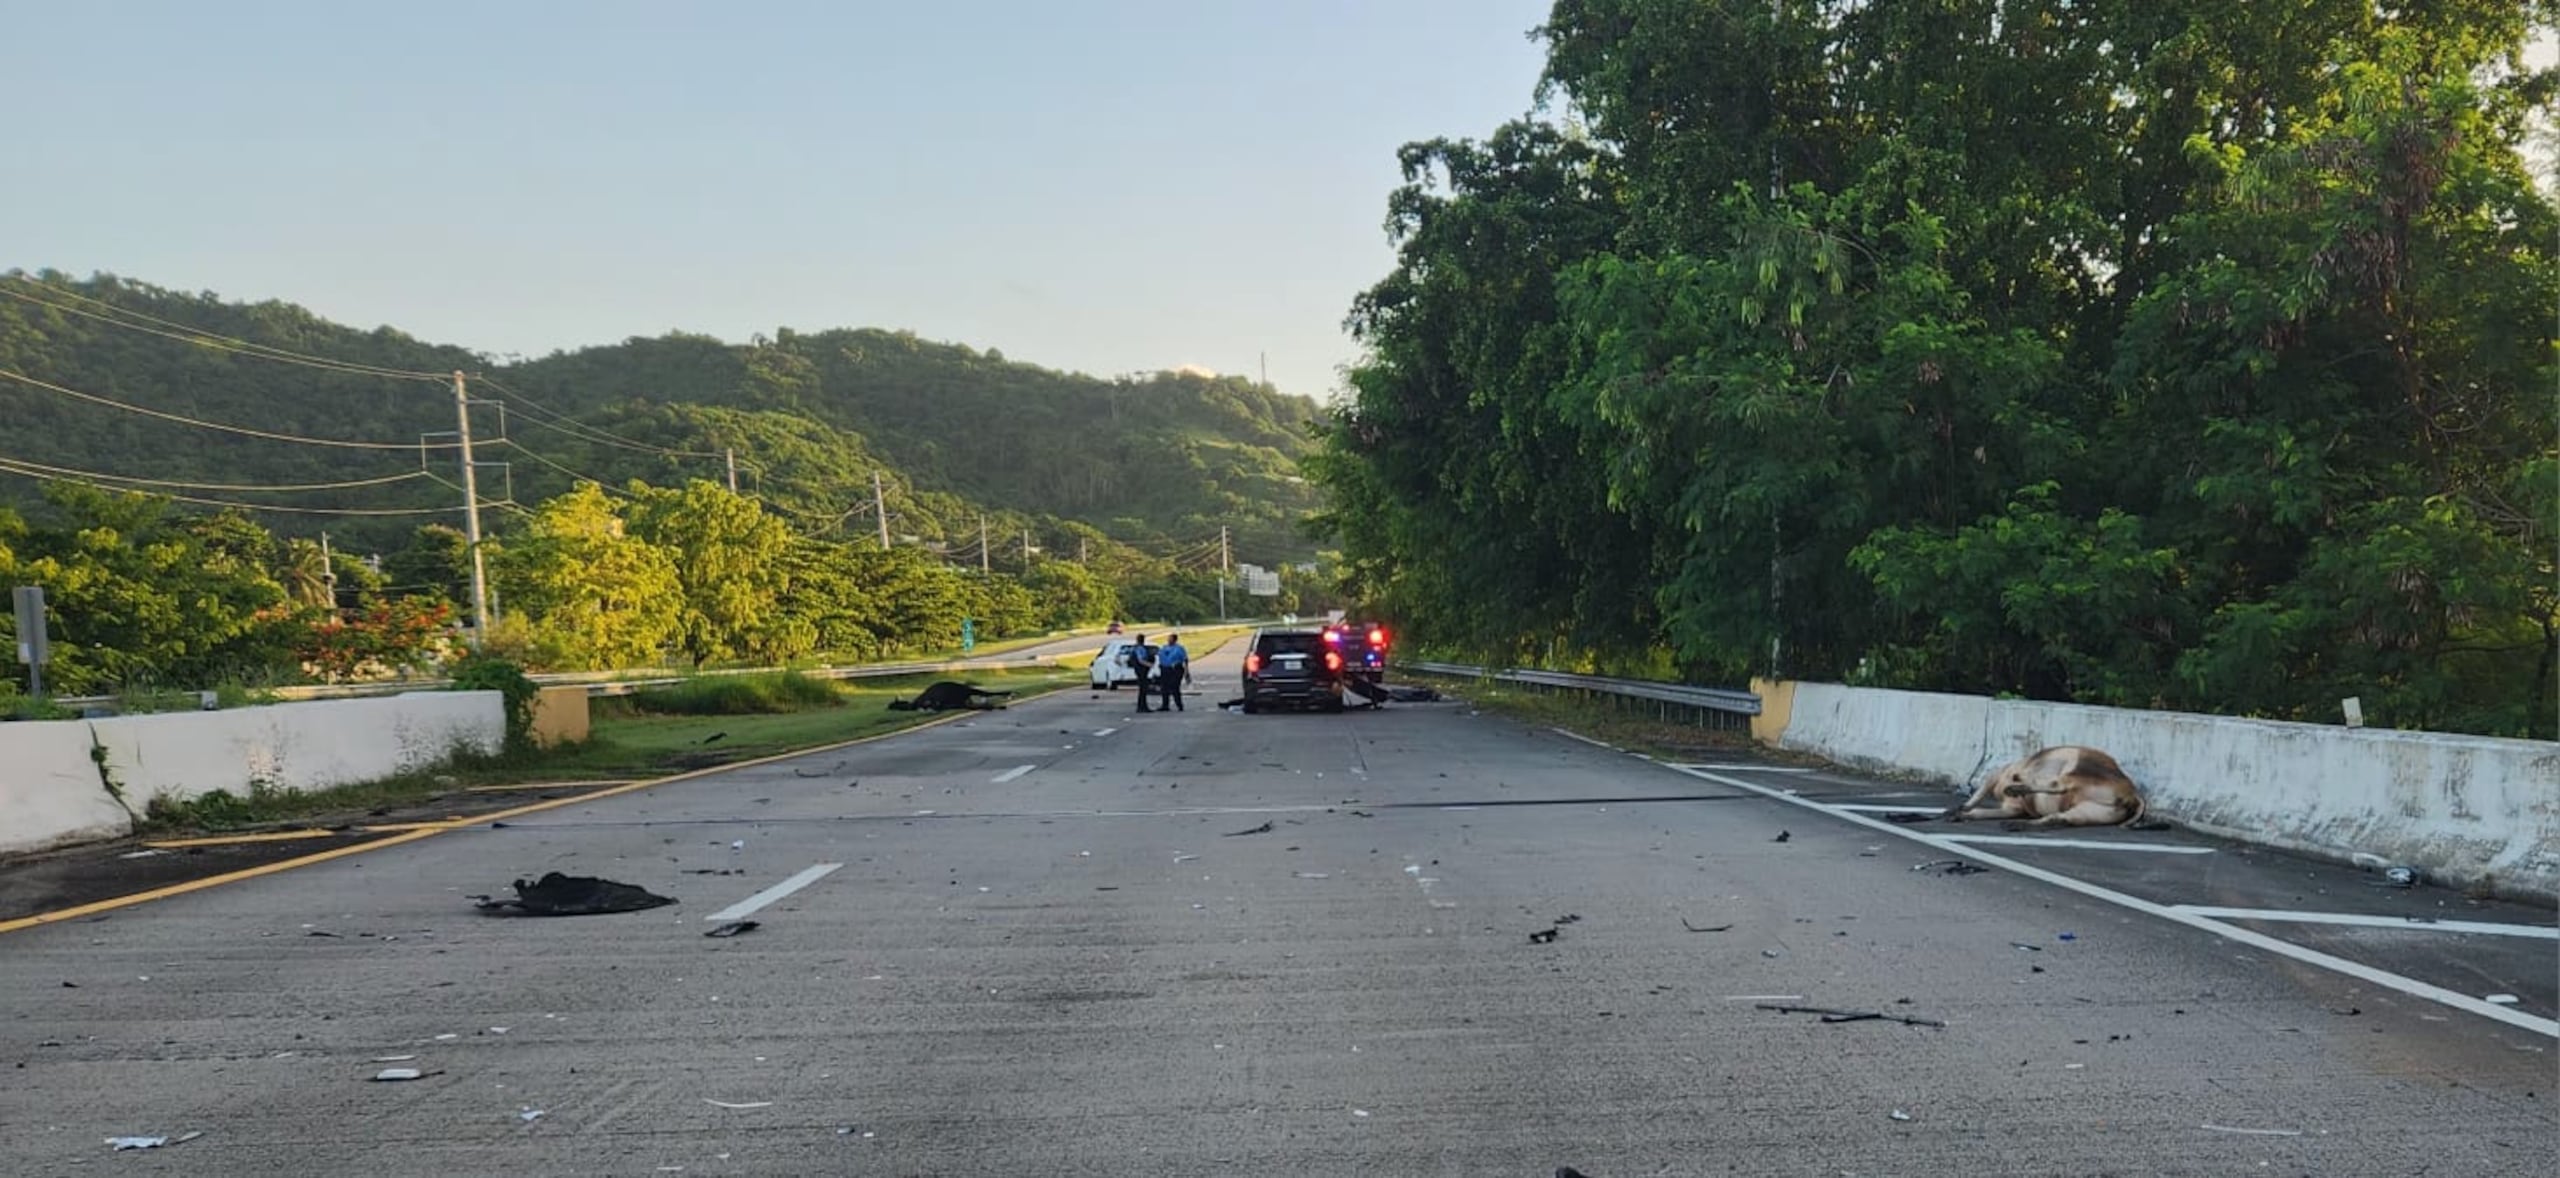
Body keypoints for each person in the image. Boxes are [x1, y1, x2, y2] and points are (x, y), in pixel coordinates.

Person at [1154, 633, 1191, 712]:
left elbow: (1185, 659)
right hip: (1165, 669)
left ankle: (1179, 705)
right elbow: (1158, 655)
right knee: (1164, 688)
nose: (1169, 640)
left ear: (1174, 639)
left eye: (1170, 638)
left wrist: (1187, 671)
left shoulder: (1179, 648)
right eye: (1168, 638)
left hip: (1175, 669)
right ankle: (1165, 705)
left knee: (1174, 687)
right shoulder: (1164, 648)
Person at [1127, 633, 1158, 712]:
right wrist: (1149, 665)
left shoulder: (1134, 648)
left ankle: (1142, 706)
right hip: (1141, 670)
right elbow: (1141, 660)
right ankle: (1142, 707)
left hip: (1139, 670)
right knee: (1143, 689)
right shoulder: (1139, 649)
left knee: (1143, 689)